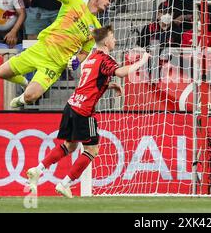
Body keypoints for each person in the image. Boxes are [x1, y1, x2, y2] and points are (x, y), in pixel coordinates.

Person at [25, 25, 151, 198]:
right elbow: (121, 73)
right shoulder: (106, 59)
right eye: (113, 37)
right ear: (106, 41)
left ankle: (38, 169)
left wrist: (107, 85)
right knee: (92, 150)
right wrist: (142, 61)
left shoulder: (91, 57)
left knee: (70, 145)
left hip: (71, 105)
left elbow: (89, 83)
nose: (114, 40)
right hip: (84, 110)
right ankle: (65, 184)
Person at [0, 0, 111, 108]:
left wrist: (77, 61)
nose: (108, 3)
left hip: (54, 65)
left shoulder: (97, 29)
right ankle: (25, 82)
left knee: (30, 97)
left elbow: (84, 52)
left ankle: (20, 99)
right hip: (40, 50)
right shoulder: (75, 1)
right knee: (1, 72)